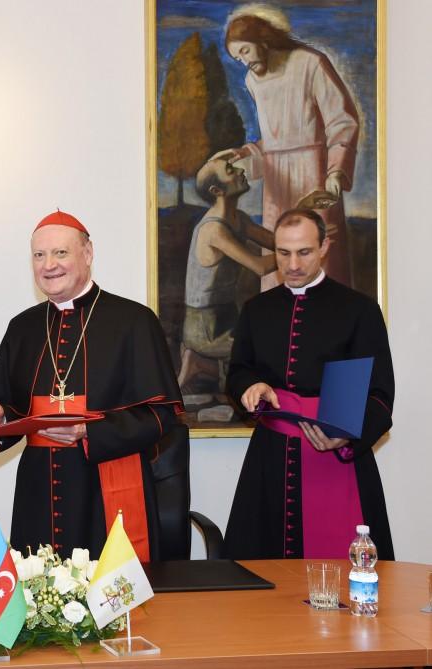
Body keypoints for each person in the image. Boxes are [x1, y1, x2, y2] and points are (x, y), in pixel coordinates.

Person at [0, 211, 183, 562]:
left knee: (109, 590)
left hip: (106, 489)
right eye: (39, 255)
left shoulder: (134, 321)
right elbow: (8, 406)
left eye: (61, 253)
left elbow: (161, 416)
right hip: (38, 491)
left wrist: (89, 431)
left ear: (88, 253)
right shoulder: (22, 328)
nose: (49, 265)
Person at [224, 208, 394, 560]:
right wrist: (252, 386)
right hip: (271, 456)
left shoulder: (359, 310)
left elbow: (379, 394)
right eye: (283, 253)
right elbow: (239, 371)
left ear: (324, 247)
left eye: (304, 252)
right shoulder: (256, 309)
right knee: (260, 567)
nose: (293, 264)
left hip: (338, 456)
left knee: (345, 570)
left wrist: (348, 435)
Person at [220, 6, 358, 290]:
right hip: (277, 184)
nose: (243, 62)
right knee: (280, 256)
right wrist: (244, 154)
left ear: (262, 40)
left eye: (245, 51)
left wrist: (335, 172)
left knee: (319, 253)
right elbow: (275, 143)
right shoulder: (252, 81)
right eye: (237, 57)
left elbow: (342, 121)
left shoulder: (311, 63)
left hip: (314, 175)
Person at [179, 158, 275, 393]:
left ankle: (199, 363)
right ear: (217, 190)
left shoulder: (238, 219)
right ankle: (198, 359)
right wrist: (299, 254)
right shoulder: (214, 229)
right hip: (204, 326)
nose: (241, 170)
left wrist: (299, 234)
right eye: (230, 170)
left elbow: (276, 242)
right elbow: (260, 267)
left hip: (227, 315)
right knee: (266, 354)